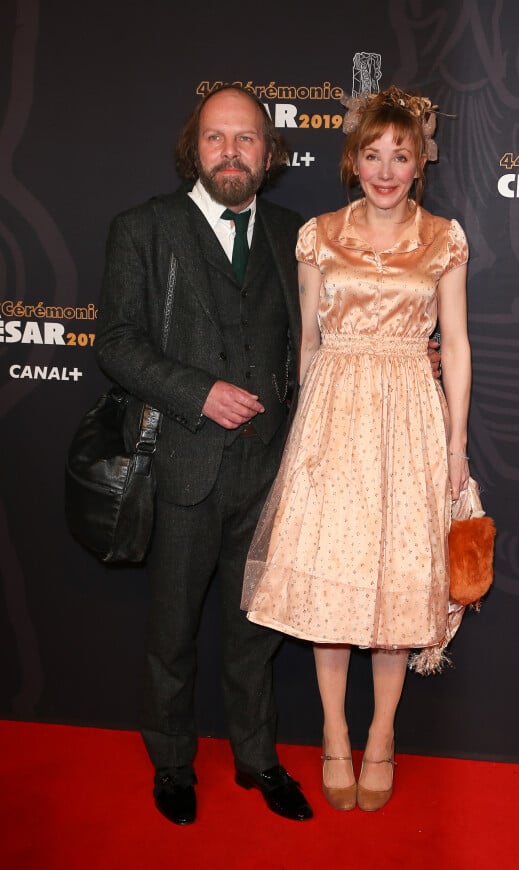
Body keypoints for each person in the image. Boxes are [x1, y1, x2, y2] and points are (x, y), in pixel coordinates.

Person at [243, 85, 471, 813]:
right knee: (332, 585)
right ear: (353, 158)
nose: (384, 169)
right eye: (372, 154)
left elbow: (459, 346)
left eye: (399, 155)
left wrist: (457, 444)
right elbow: (307, 341)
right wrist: (308, 430)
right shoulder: (317, 235)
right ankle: (335, 735)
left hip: (409, 420)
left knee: (397, 588)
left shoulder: (445, 238)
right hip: (333, 419)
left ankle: (382, 735)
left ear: (418, 164)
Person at [95, 85, 313, 824]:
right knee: (172, 631)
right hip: (184, 466)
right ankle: (172, 763)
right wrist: (198, 392)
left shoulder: (295, 234)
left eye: (246, 139)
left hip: (270, 472)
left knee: (256, 634)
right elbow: (117, 343)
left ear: (269, 153)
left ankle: (256, 759)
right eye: (216, 138)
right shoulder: (144, 229)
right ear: (195, 147)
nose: (230, 152)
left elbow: (327, 338)